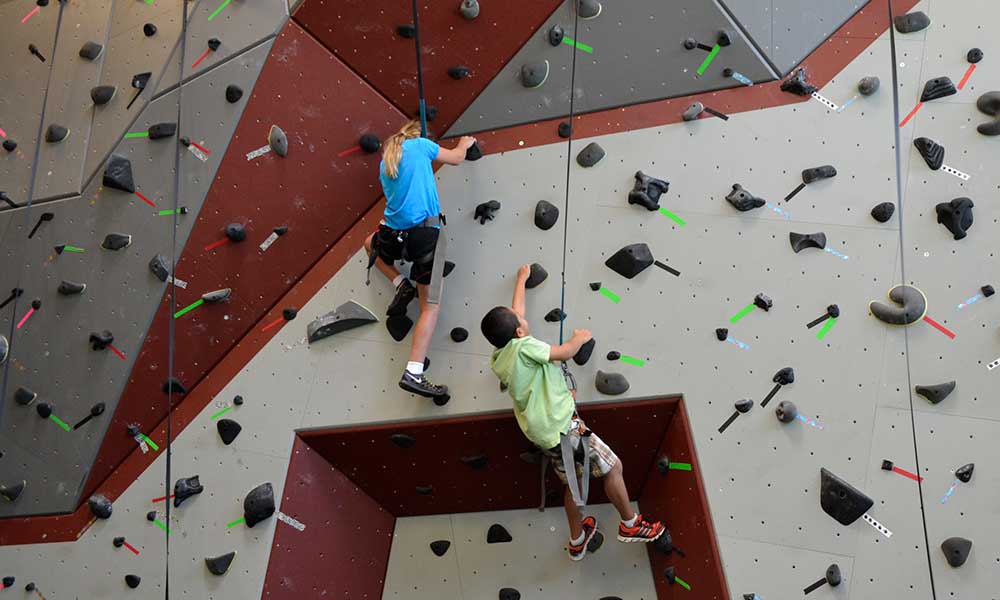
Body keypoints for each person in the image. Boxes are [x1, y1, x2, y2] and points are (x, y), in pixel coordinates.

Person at [480, 264, 665, 560]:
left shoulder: (499, 357)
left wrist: (521, 280)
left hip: (544, 432)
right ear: (518, 331)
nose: (524, 320)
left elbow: (517, 315)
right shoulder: (526, 347)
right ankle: (631, 524)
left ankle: (578, 540)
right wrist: (578, 338)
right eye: (520, 321)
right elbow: (563, 353)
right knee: (613, 466)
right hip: (565, 427)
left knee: (575, 483)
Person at [364, 120, 476, 399]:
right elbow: (456, 158)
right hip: (425, 236)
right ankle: (414, 371)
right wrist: (465, 143)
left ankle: (400, 282)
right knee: (430, 307)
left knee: (369, 243)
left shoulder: (385, 165)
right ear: (414, 135)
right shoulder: (421, 146)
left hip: (392, 235)